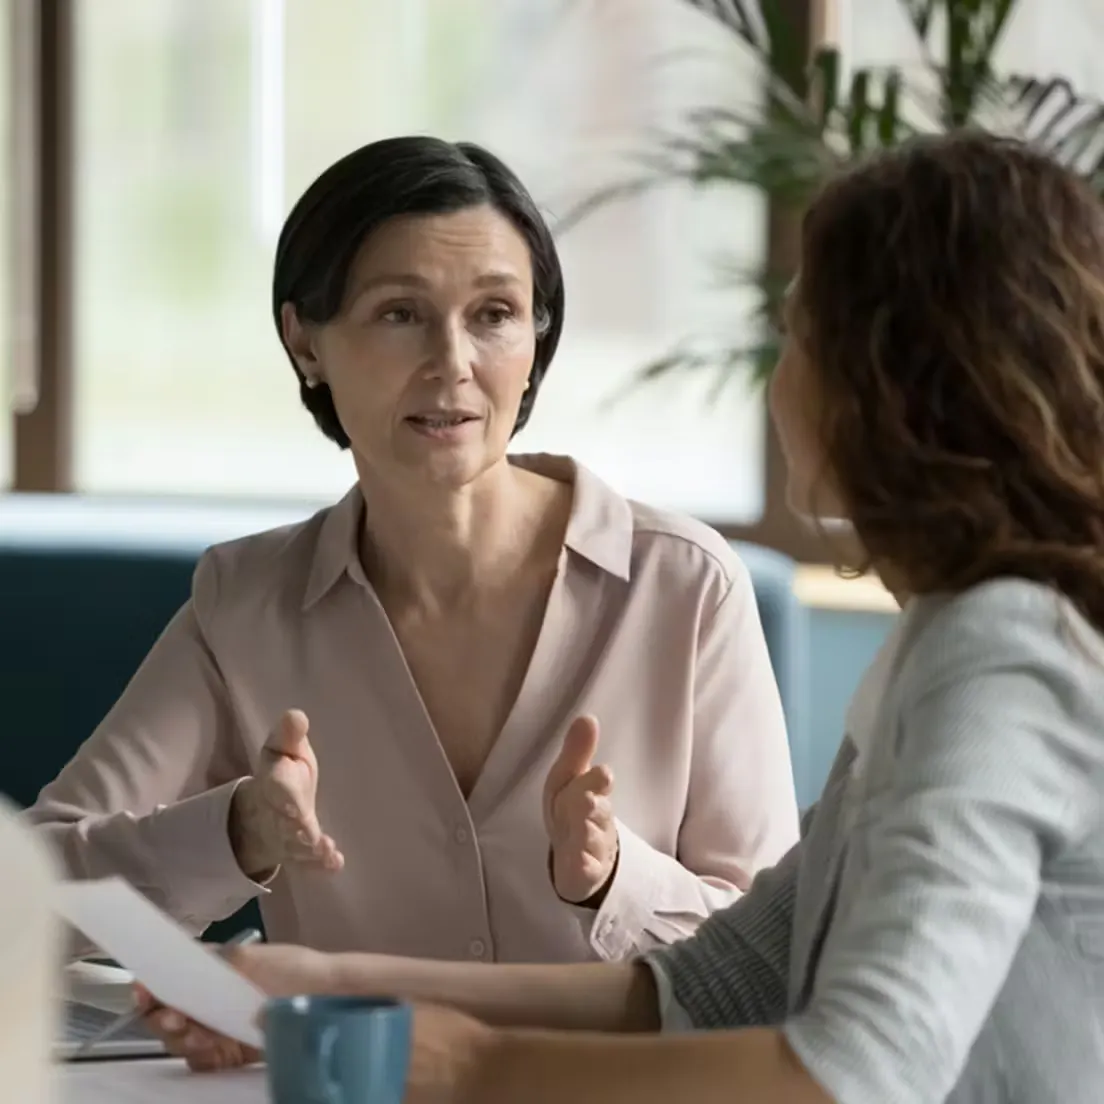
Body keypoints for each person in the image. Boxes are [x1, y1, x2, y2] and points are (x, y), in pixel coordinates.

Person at [150, 131, 1104, 1103]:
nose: (779, 381)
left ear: (893, 385)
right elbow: (719, 984)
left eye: (799, 338)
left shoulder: (1001, 658)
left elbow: (858, 1073)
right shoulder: (952, 638)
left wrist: (469, 1065)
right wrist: (333, 985)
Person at [27, 135, 799, 964]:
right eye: (401, 314)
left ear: (536, 340)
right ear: (306, 342)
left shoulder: (686, 588)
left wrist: (616, 879)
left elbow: (774, 959)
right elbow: (33, 897)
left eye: (494, 315)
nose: (453, 363)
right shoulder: (245, 605)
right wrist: (237, 833)